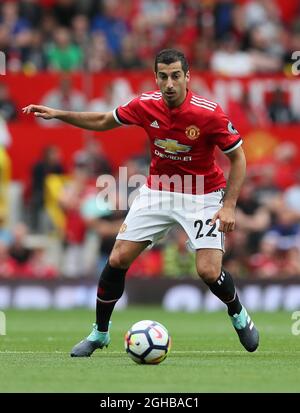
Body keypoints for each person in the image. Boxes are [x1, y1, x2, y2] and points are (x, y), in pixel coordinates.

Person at [23, 48, 259, 357]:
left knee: (207, 271)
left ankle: (238, 313)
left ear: (187, 77)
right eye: (163, 76)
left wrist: (228, 206)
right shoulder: (145, 105)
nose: (169, 83)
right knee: (118, 258)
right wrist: (58, 113)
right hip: (158, 191)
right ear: (156, 78)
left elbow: (238, 158)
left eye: (176, 76)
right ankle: (99, 334)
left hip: (202, 193)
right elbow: (103, 120)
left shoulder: (208, 112)